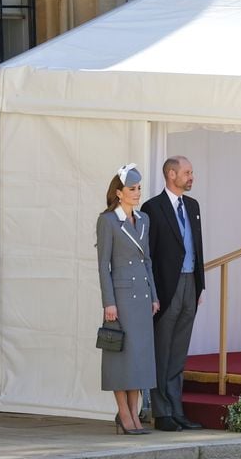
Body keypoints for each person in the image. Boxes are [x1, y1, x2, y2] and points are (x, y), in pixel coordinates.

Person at [140, 156, 205, 431]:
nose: (191, 177)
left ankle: (177, 409)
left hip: (191, 283)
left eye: (192, 172)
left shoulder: (192, 206)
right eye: (187, 172)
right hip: (167, 287)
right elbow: (148, 255)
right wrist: (152, 293)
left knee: (179, 351)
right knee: (162, 350)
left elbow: (197, 246)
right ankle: (162, 411)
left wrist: (200, 284)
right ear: (171, 174)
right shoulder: (152, 208)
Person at [96, 164, 160, 435]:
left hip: (142, 299)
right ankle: (124, 414)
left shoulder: (143, 219)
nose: (137, 193)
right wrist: (108, 302)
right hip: (120, 299)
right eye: (132, 189)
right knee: (121, 358)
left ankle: (134, 415)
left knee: (139, 359)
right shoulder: (108, 220)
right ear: (119, 193)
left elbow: (147, 262)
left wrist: (154, 296)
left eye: (138, 189)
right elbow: (103, 266)